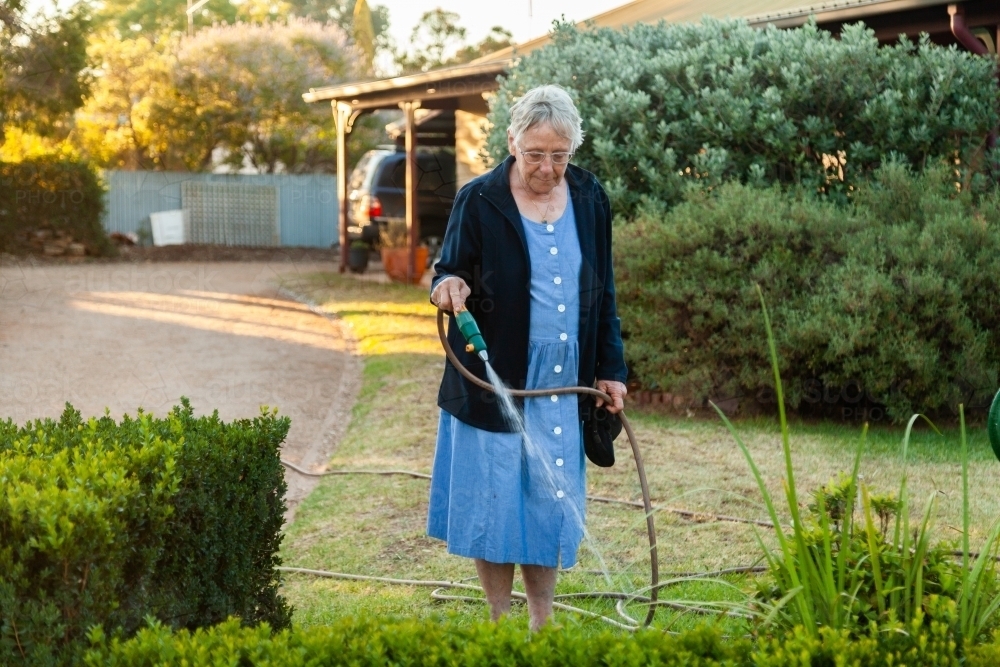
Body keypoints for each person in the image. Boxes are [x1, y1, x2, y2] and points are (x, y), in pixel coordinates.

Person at [427, 84, 627, 631]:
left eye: (559, 155)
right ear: (512, 142)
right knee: (495, 501)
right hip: (497, 374)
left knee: (549, 498)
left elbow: (604, 289)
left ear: (573, 150)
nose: (547, 167)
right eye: (536, 154)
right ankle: (497, 621)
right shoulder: (480, 198)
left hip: (563, 378)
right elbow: (448, 268)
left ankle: (542, 621)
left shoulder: (589, 196)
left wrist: (611, 369)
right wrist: (447, 286)